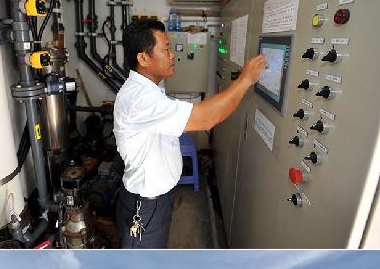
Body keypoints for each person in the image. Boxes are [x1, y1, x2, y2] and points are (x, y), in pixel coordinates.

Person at [114, 19, 268, 248]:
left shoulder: (149, 89)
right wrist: (245, 80)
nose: (172, 55)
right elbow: (206, 118)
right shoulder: (140, 99)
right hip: (145, 205)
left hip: (157, 200)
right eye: (165, 49)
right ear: (143, 58)